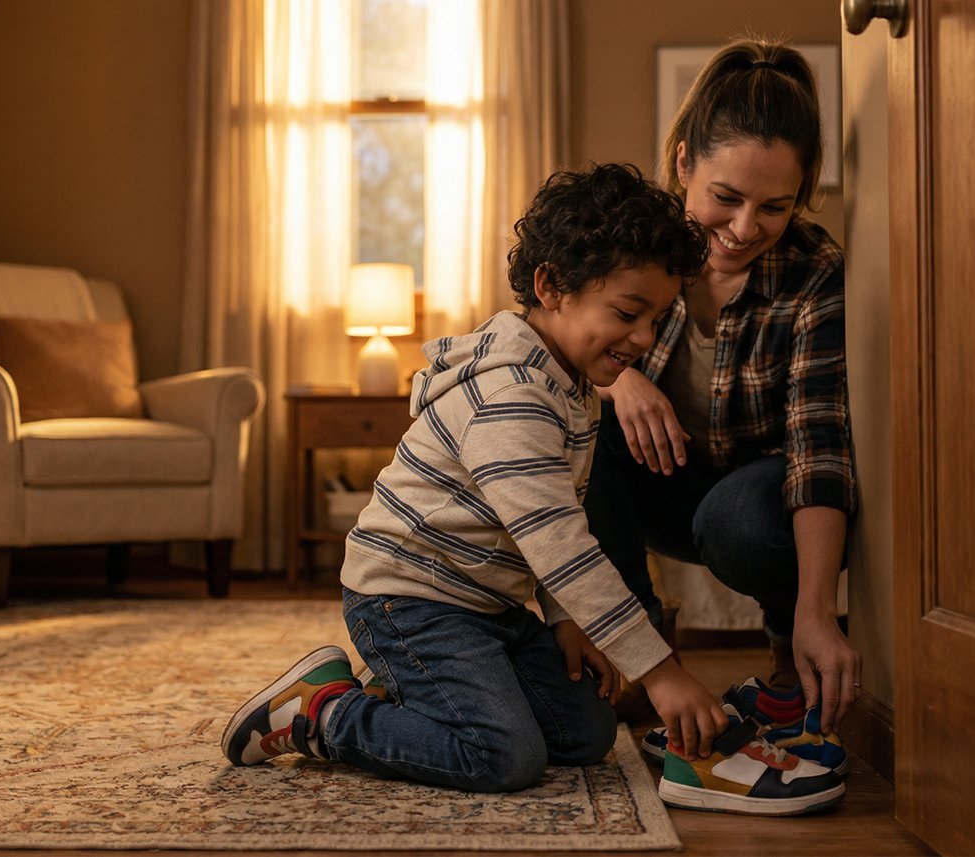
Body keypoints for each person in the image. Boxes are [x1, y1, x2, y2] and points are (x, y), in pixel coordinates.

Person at [221, 164, 843, 814]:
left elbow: (552, 517)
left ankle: (406, 692)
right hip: (408, 599)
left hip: (484, 601)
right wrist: (661, 673)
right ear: (551, 286)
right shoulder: (513, 397)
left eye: (658, 318)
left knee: (585, 733)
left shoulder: (567, 382)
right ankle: (323, 712)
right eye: (629, 313)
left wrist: (566, 618)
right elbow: (560, 545)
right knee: (501, 755)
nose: (643, 338)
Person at [583, 38, 862, 737]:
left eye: (774, 207)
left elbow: (819, 448)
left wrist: (817, 611)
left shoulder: (813, 271)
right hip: (655, 479)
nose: (743, 229)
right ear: (684, 163)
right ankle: (642, 657)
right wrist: (618, 382)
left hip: (749, 500)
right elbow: (543, 343)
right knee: (580, 430)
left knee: (741, 516)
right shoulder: (628, 240)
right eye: (726, 198)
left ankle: (785, 648)